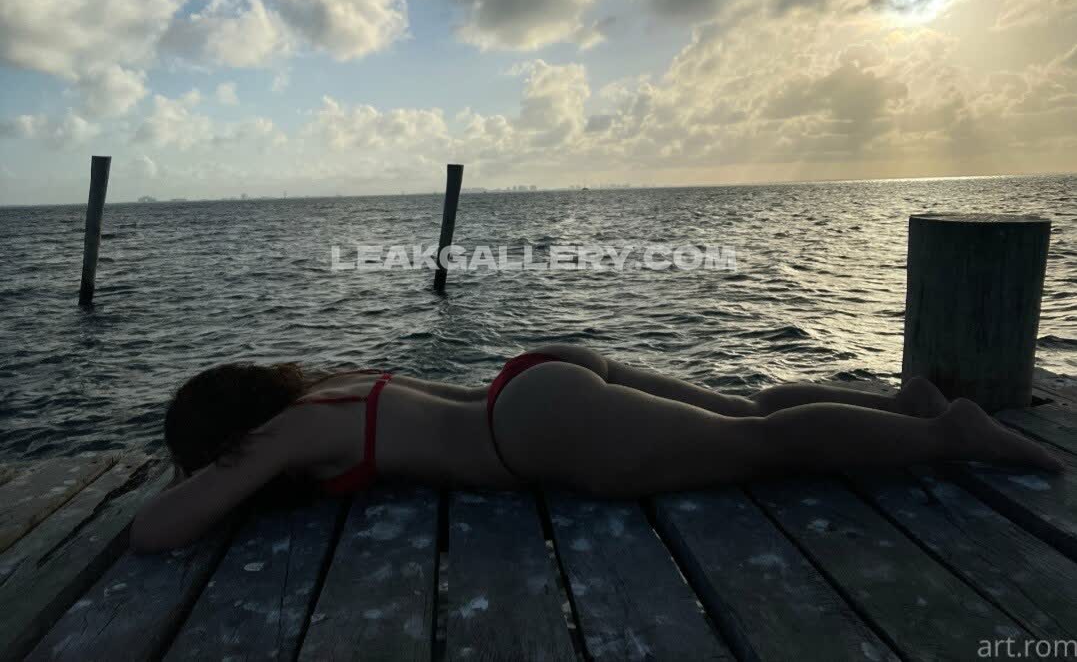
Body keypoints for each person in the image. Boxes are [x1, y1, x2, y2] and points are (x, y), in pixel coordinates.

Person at [131, 343, 1063, 552]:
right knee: (748, 407)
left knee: (761, 444)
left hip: (534, 432)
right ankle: (898, 402)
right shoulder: (328, 389)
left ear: (226, 435)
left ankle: (941, 433)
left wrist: (201, 472)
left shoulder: (280, 436)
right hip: (533, 378)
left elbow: (155, 531)